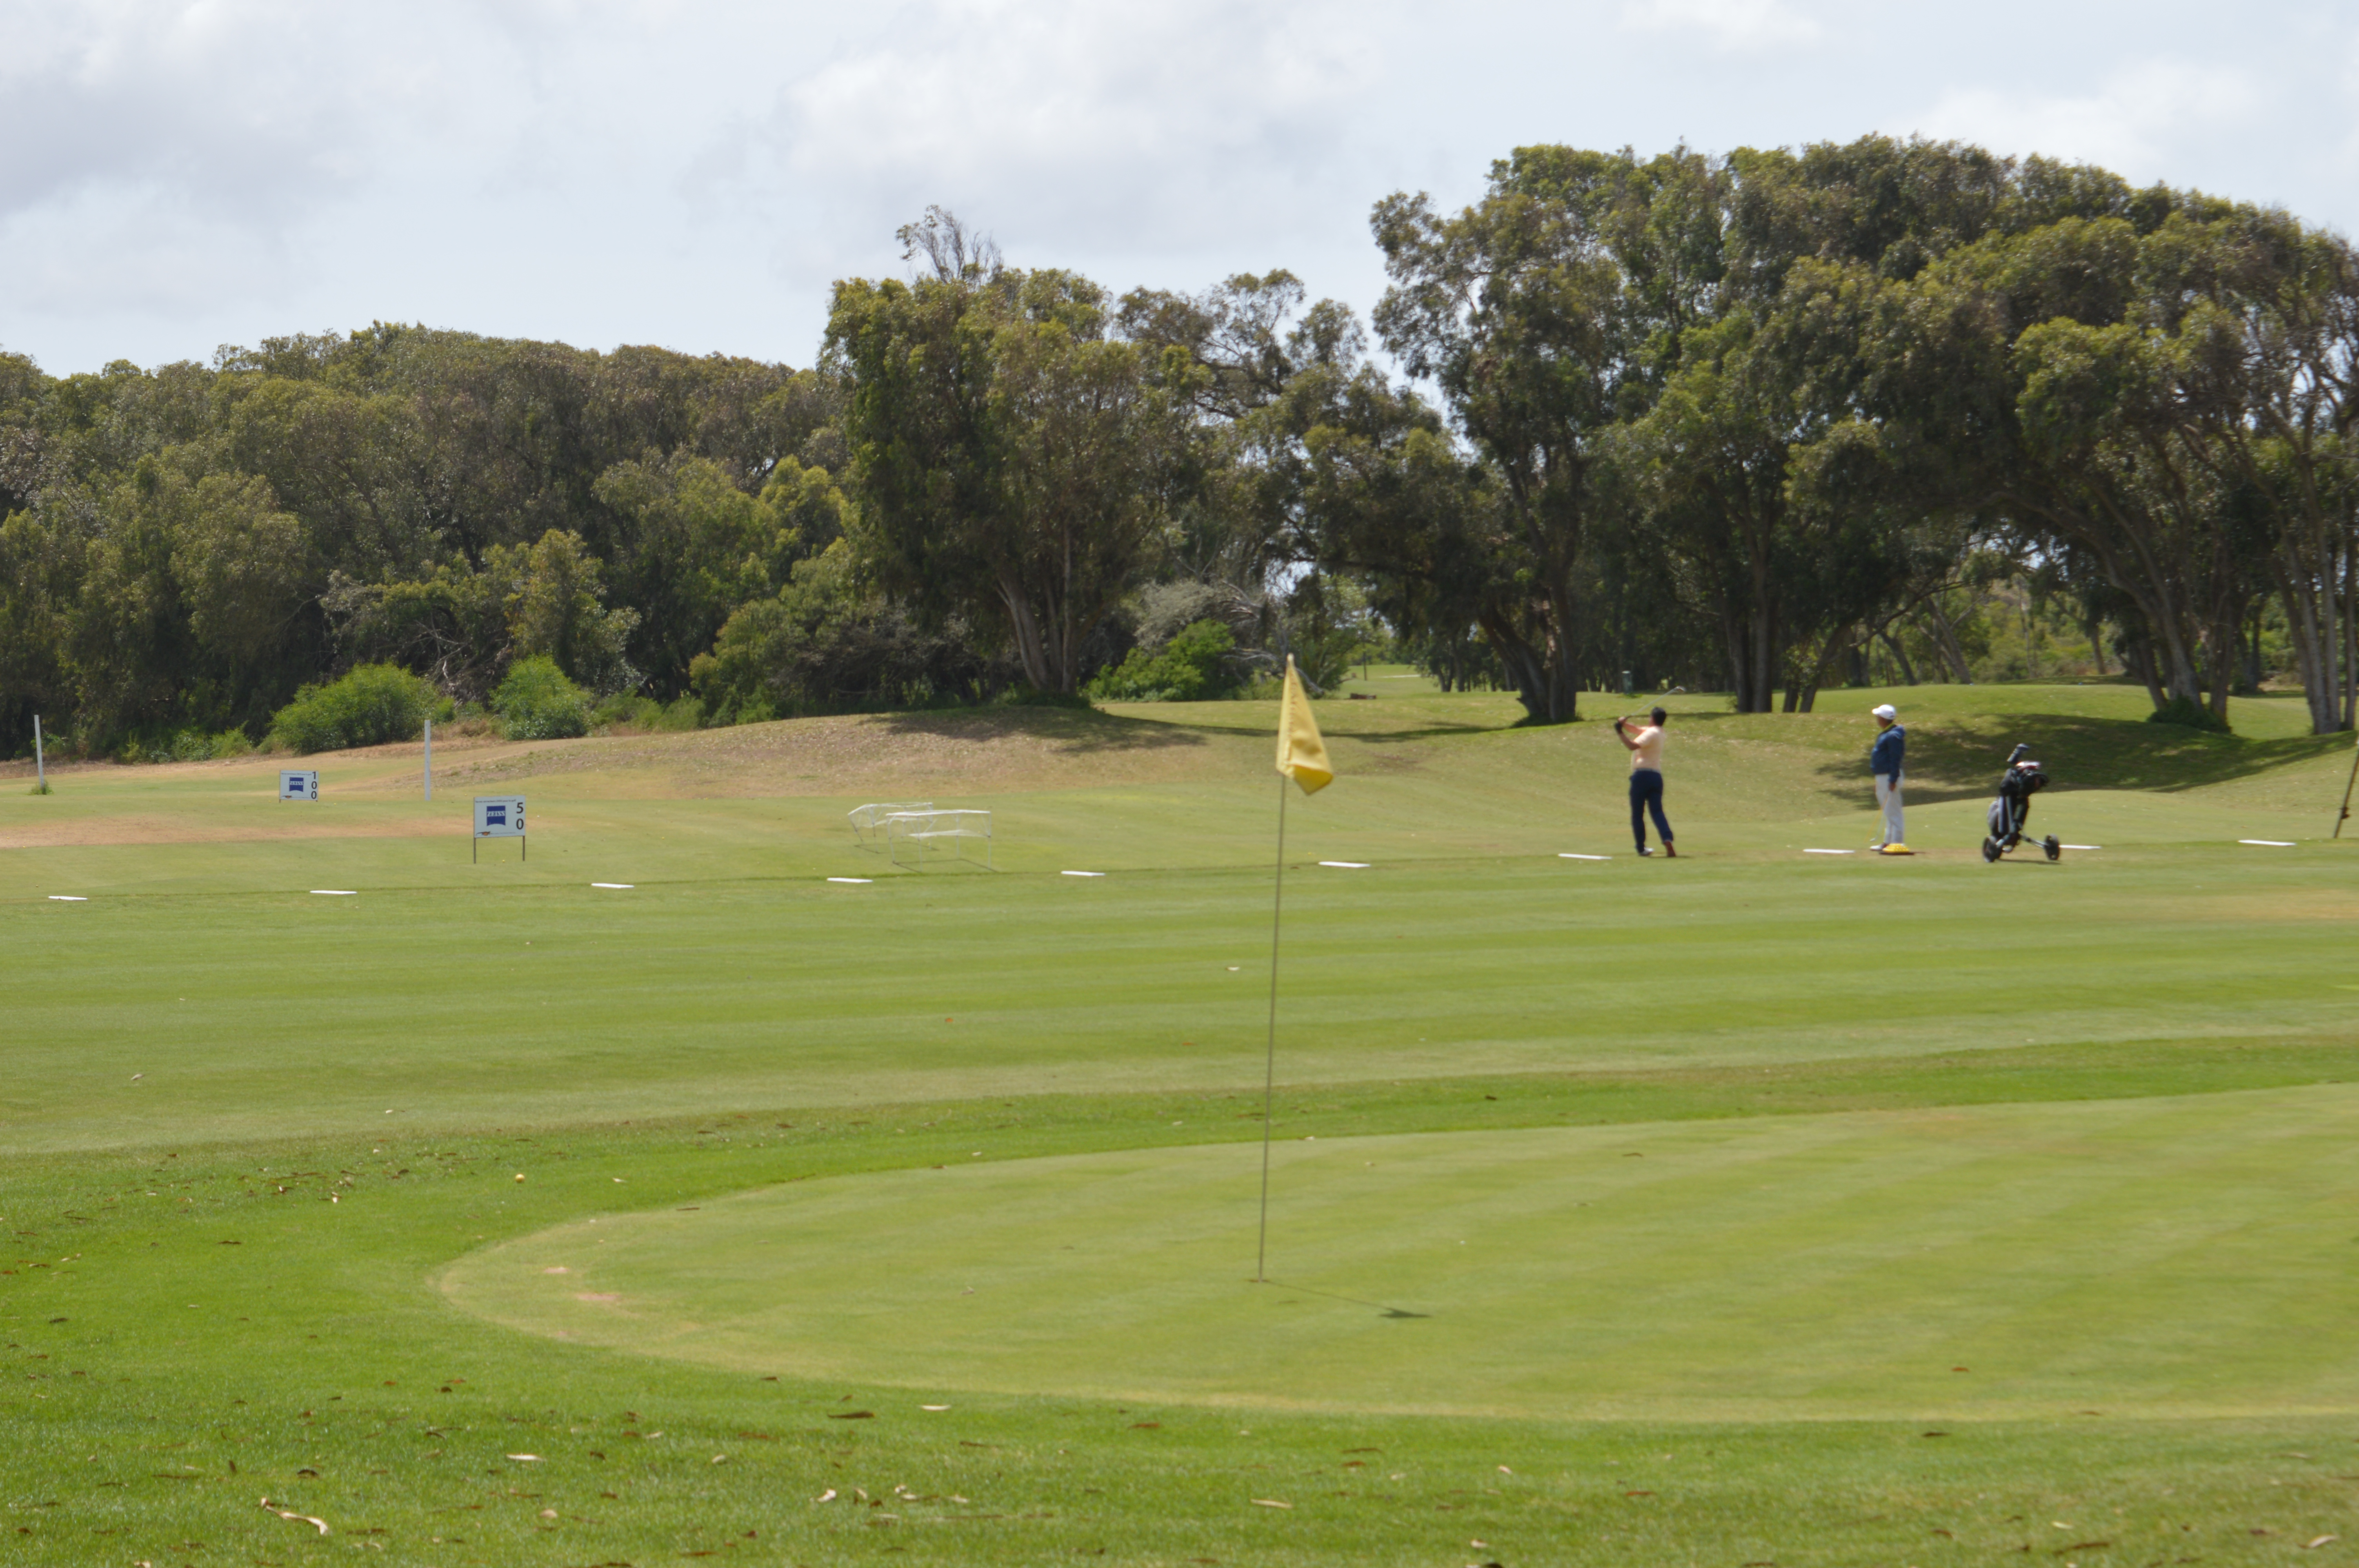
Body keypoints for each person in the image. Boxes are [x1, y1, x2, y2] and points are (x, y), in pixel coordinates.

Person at [1614, 706, 1675, 857]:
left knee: (1637, 814)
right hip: (1656, 777)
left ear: (1652, 718)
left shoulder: (1651, 733)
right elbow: (1636, 730)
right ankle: (1667, 838)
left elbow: (1632, 746)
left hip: (1642, 776)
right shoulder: (1659, 733)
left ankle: (1641, 848)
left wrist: (1620, 732)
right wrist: (1624, 724)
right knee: (1657, 811)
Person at [1869, 703, 1906, 851]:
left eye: (1878, 717)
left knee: (1894, 811)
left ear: (1882, 719)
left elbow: (1895, 759)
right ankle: (1888, 842)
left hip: (1890, 776)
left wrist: (1892, 780)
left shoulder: (1893, 736)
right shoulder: (1888, 733)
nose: (1877, 719)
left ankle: (1897, 843)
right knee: (1889, 811)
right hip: (1883, 776)